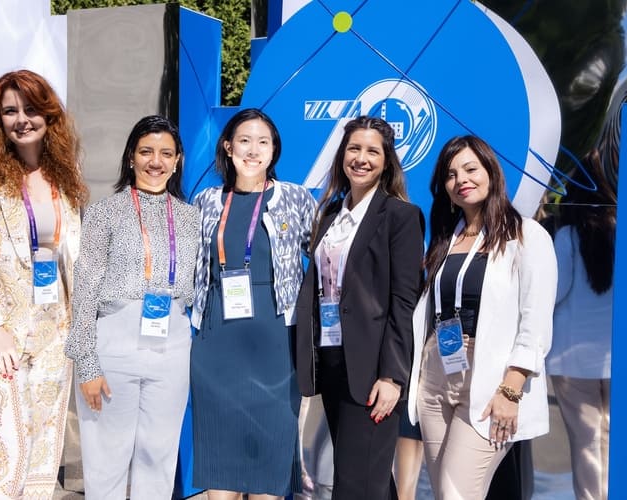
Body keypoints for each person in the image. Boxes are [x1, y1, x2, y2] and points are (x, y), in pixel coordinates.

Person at [0, 69, 87, 499]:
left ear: (49, 115)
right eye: (10, 111)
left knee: (44, 451)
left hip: (53, 328)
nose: (22, 119)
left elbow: (72, 254)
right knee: (8, 450)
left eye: (31, 109)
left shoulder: (64, 172)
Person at [406, 135, 557, 499]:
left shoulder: (526, 235)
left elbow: (535, 322)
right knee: (444, 492)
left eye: (471, 169)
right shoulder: (445, 239)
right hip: (436, 373)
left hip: (490, 379)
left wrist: (511, 390)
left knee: (457, 492)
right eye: (451, 174)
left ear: (491, 172)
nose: (461, 179)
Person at [64, 115, 199, 499]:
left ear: (178, 161)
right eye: (146, 152)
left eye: (166, 153)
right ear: (130, 157)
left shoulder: (191, 217)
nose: (156, 161)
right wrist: (86, 363)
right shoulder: (104, 212)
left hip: (172, 346)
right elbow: (85, 287)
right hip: (115, 343)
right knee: (106, 457)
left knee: (158, 456)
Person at [295, 116, 425, 500]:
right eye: (354, 148)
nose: (361, 158)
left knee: (356, 486)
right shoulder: (330, 215)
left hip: (373, 371)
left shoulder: (400, 216)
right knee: (366, 479)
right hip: (333, 361)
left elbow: (404, 301)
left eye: (372, 151)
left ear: (386, 161)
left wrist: (393, 376)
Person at [191, 108, 317, 500]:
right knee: (220, 462)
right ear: (228, 147)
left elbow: (325, 260)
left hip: (276, 343)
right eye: (244, 141)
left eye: (263, 142)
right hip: (216, 344)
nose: (253, 150)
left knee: (269, 466)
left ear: (274, 150)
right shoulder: (206, 201)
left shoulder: (294, 198)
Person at [547, 149, 615, 500]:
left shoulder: (568, 237)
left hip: (570, 360)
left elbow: (555, 292)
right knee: (612, 438)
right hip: (615, 355)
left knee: (586, 444)